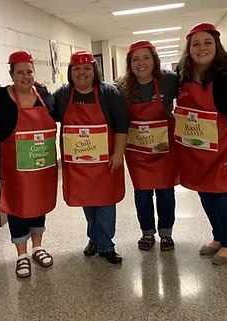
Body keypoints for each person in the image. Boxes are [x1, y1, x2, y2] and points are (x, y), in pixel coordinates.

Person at [53, 51, 129, 264]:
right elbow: (46, 110)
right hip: (78, 163)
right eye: (77, 68)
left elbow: (122, 124)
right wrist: (35, 88)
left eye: (87, 68)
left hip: (105, 161)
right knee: (87, 201)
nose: (82, 73)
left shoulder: (108, 93)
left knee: (105, 202)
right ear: (70, 72)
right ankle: (94, 239)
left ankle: (106, 245)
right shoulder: (63, 94)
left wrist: (118, 154)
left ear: (94, 70)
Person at [0, 51, 57, 278]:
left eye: (29, 71)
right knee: (18, 207)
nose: (25, 76)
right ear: (11, 74)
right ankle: (21, 255)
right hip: (13, 164)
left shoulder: (43, 94)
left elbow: (56, 116)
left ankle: (38, 247)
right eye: (19, 72)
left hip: (41, 162)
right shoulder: (0, 96)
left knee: (38, 203)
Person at [176, 23, 227, 265]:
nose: (202, 48)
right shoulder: (185, 74)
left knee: (223, 195)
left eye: (207, 42)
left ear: (217, 45)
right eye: (196, 44)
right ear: (189, 48)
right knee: (205, 194)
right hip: (198, 150)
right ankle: (219, 236)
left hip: (224, 149)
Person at [115, 41, 179, 251]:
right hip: (137, 150)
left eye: (146, 58)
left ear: (154, 60)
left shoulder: (169, 80)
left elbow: (194, 90)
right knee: (142, 193)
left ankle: (166, 233)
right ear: (129, 63)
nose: (141, 63)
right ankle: (147, 233)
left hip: (163, 148)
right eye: (135, 59)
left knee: (166, 192)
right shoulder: (120, 87)